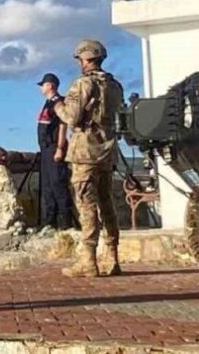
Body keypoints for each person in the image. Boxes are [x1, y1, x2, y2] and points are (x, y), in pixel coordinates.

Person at [53, 39, 124, 278]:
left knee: (86, 204)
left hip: (85, 152)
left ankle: (89, 260)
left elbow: (71, 117)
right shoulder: (115, 86)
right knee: (107, 203)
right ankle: (113, 257)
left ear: (85, 59)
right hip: (107, 150)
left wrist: (56, 103)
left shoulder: (82, 84)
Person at [36, 73, 75, 230]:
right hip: (45, 149)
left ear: (50, 85)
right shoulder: (48, 103)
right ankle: (50, 222)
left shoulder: (59, 102)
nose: (41, 88)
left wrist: (60, 148)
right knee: (47, 186)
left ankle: (66, 223)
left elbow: (62, 125)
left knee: (58, 184)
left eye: (43, 84)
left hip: (54, 148)